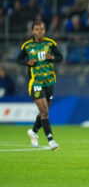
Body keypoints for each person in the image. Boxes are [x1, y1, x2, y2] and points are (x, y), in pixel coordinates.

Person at [16, 21, 63, 150]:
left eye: (41, 29)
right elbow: (18, 59)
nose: (39, 31)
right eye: (37, 29)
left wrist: (52, 57)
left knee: (44, 111)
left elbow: (60, 58)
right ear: (33, 31)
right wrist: (27, 62)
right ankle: (51, 140)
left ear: (44, 30)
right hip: (36, 82)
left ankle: (33, 132)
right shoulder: (27, 46)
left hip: (49, 81)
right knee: (44, 112)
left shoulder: (50, 43)